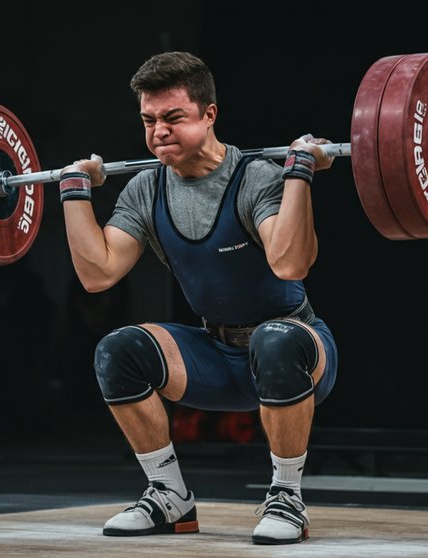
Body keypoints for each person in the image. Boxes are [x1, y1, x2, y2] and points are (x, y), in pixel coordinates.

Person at [57, 51, 338, 546]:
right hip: (216, 357)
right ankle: (169, 496)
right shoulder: (147, 189)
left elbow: (290, 264)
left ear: (210, 114)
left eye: (172, 118)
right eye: (148, 120)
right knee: (117, 351)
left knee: (273, 340)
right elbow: (98, 274)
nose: (158, 131)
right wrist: (74, 191)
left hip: (296, 349)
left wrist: (298, 173)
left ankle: (287, 497)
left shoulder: (255, 177)